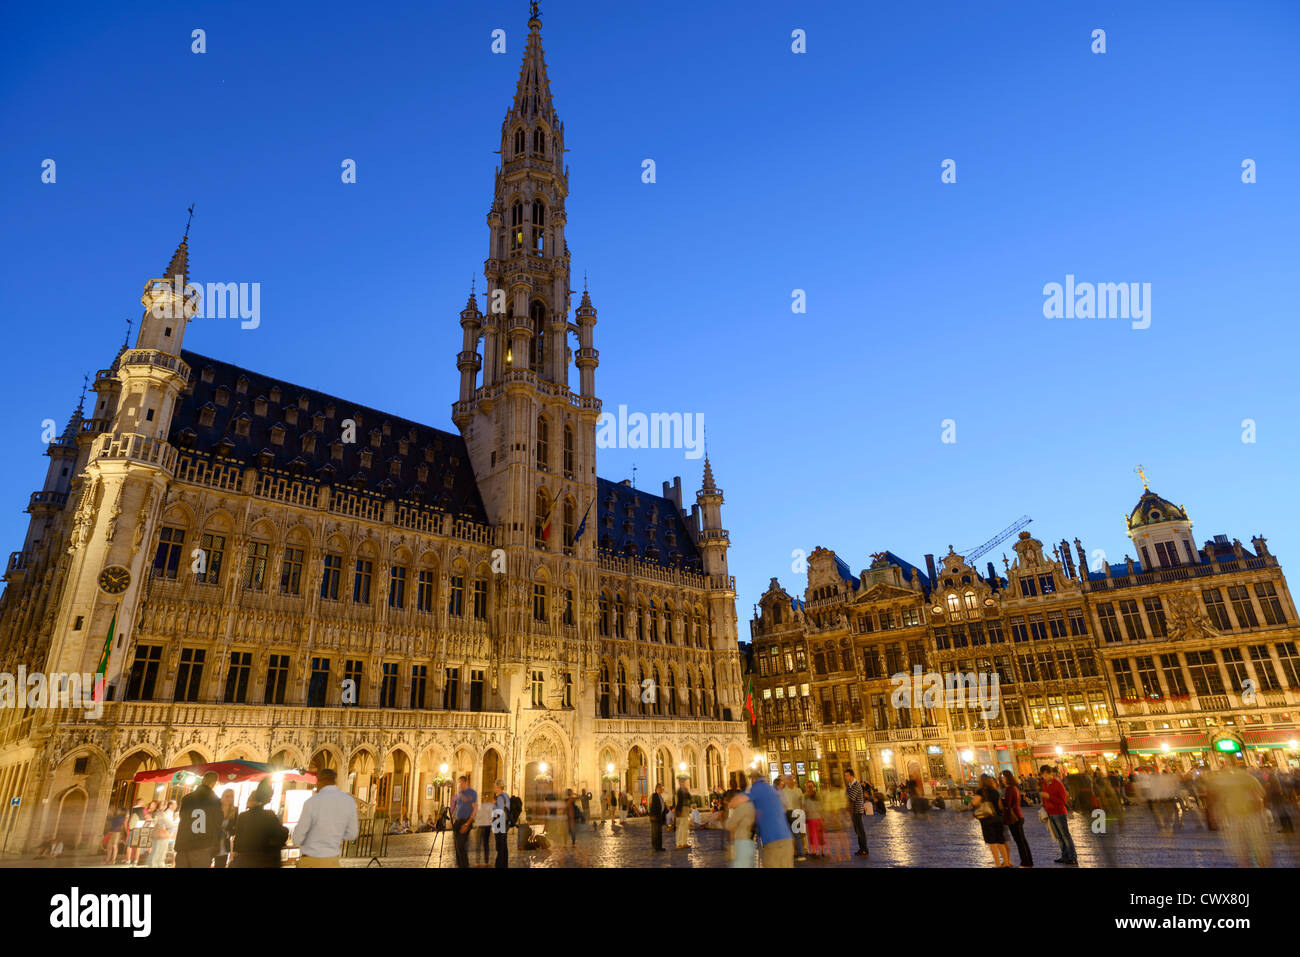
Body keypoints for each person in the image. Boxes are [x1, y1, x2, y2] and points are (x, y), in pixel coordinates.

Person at [292, 768, 360, 868]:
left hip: (310, 860)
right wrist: (336, 835)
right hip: (332, 861)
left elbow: (298, 837)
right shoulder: (349, 801)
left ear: (319, 781)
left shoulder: (311, 802)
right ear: (335, 781)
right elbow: (352, 834)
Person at [230, 779, 289, 868]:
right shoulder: (269, 815)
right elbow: (281, 834)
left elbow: (238, 840)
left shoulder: (243, 816)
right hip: (265, 860)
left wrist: (235, 854)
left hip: (246, 861)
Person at [174, 771, 224, 868]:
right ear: (214, 783)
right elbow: (217, 825)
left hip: (183, 845)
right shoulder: (215, 801)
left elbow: (182, 818)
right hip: (202, 846)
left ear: (203, 780)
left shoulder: (186, 798)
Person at [749, 772, 794, 867]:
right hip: (786, 838)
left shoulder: (756, 789)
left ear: (754, 780)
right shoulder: (772, 789)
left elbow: (750, 810)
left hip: (772, 841)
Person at [1039, 764, 1077, 865]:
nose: (1045, 777)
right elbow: (1044, 798)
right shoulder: (1044, 784)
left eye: (1046, 775)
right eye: (1043, 775)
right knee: (1058, 836)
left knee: (1065, 835)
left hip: (1059, 812)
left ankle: (1072, 857)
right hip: (1050, 813)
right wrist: (1044, 803)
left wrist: (1049, 797)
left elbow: (1063, 800)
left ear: (1051, 773)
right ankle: (1064, 856)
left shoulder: (1058, 784)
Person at [973, 774, 1010, 868]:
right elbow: (1000, 806)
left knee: (992, 843)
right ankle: (1006, 862)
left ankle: (998, 864)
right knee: (1000, 841)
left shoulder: (981, 791)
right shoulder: (995, 791)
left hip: (987, 819)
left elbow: (974, 802)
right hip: (998, 818)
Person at [1000, 770, 1032, 868]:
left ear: (1007, 777)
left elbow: (1008, 804)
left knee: (1020, 841)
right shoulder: (1014, 787)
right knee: (1022, 840)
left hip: (1014, 818)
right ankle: (1028, 862)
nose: (1002, 779)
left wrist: (1000, 800)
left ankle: (1025, 863)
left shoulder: (1009, 789)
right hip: (1019, 816)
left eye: (1003, 777)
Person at [448, 775, 478, 868]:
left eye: (461, 783)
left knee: (461, 844)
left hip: (466, 821)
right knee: (457, 846)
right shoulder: (460, 793)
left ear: (466, 782)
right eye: (459, 783)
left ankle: (465, 865)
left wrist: (467, 823)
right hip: (457, 821)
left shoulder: (472, 793)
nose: (459, 785)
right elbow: (458, 807)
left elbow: (475, 808)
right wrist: (451, 818)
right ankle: (460, 864)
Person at [725, 788, 756, 868]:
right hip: (748, 841)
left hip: (741, 842)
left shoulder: (742, 808)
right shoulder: (750, 806)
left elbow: (729, 825)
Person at [780, 774, 806, 861]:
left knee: (798, 834)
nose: (792, 781)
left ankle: (801, 853)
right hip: (788, 813)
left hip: (797, 813)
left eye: (793, 779)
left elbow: (802, 802)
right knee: (790, 835)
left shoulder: (798, 790)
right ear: (786, 781)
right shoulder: (783, 791)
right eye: (790, 779)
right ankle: (793, 852)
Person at [843, 769, 869, 857]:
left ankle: (865, 849)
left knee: (861, 830)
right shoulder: (849, 785)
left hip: (858, 810)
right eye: (845, 775)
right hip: (853, 811)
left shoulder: (856, 785)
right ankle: (861, 848)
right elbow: (845, 796)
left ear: (851, 776)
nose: (845, 777)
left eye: (847, 775)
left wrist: (847, 797)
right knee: (857, 830)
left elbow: (851, 798)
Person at [148, 799, 178, 867]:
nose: (165, 807)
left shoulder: (157, 813)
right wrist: (178, 823)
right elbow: (170, 824)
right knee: (159, 854)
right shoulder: (161, 814)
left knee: (156, 853)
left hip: (158, 834)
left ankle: (155, 865)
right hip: (161, 835)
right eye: (164, 805)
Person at [214, 790, 237, 868]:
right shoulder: (215, 808)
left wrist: (228, 833)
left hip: (224, 844)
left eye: (231, 797)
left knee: (220, 865)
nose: (229, 798)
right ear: (222, 796)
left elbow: (234, 830)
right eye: (227, 796)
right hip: (212, 842)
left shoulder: (235, 810)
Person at [491, 779, 510, 868]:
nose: (494, 788)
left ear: (498, 787)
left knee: (500, 846)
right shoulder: (506, 796)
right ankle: (504, 864)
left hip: (499, 823)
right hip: (505, 823)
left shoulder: (499, 797)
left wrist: (493, 805)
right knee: (504, 846)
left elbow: (498, 812)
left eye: (495, 786)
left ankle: (499, 865)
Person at [803, 782, 824, 857]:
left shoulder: (817, 795)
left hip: (817, 817)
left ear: (813, 787)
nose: (809, 788)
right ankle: (814, 850)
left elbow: (821, 805)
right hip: (810, 818)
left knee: (818, 835)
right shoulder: (805, 796)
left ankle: (820, 850)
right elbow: (803, 806)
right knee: (812, 835)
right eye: (808, 786)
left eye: (810, 786)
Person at [473, 790, 494, 864]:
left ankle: (485, 861)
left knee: (485, 844)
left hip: (485, 826)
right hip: (482, 826)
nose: (485, 799)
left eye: (485, 798)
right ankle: (478, 861)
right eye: (484, 797)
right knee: (480, 844)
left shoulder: (486, 806)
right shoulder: (480, 806)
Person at [674, 777, 692, 850]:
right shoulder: (679, 791)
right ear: (680, 783)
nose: (684, 783)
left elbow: (690, 797)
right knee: (681, 826)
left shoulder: (685, 790)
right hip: (681, 809)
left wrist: (687, 791)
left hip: (686, 808)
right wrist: (678, 811)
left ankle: (684, 842)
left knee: (685, 826)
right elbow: (678, 802)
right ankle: (679, 843)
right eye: (682, 782)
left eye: (684, 782)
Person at [649, 783, 668, 851]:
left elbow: (662, 806)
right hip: (655, 817)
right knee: (655, 833)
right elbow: (653, 807)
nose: (662, 789)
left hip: (660, 817)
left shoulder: (660, 796)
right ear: (657, 789)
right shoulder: (654, 796)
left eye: (662, 788)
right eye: (660, 788)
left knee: (659, 832)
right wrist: (653, 816)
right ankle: (655, 847)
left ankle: (659, 847)